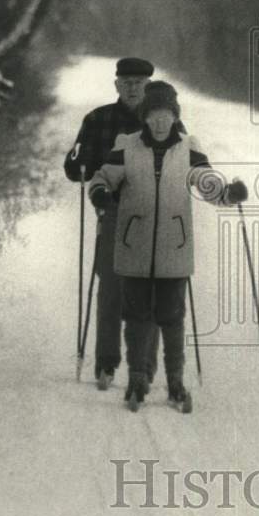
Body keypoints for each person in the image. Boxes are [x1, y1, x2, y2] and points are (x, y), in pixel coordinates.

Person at [88, 80, 248, 412]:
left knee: (172, 318)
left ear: (175, 117)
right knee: (136, 318)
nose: (160, 122)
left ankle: (175, 382)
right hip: (134, 247)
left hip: (174, 248)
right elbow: (103, 177)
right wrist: (101, 193)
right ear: (145, 117)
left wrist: (226, 194)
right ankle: (136, 379)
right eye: (154, 115)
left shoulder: (189, 147)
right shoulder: (127, 146)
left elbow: (206, 180)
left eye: (167, 115)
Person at [64, 57, 160, 390]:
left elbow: (184, 162)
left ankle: (145, 367)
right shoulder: (97, 119)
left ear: (149, 86)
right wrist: (79, 164)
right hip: (113, 212)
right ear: (116, 85)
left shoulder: (163, 122)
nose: (133, 88)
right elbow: (75, 165)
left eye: (140, 83)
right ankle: (106, 363)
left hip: (152, 215)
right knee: (111, 290)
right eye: (127, 82)